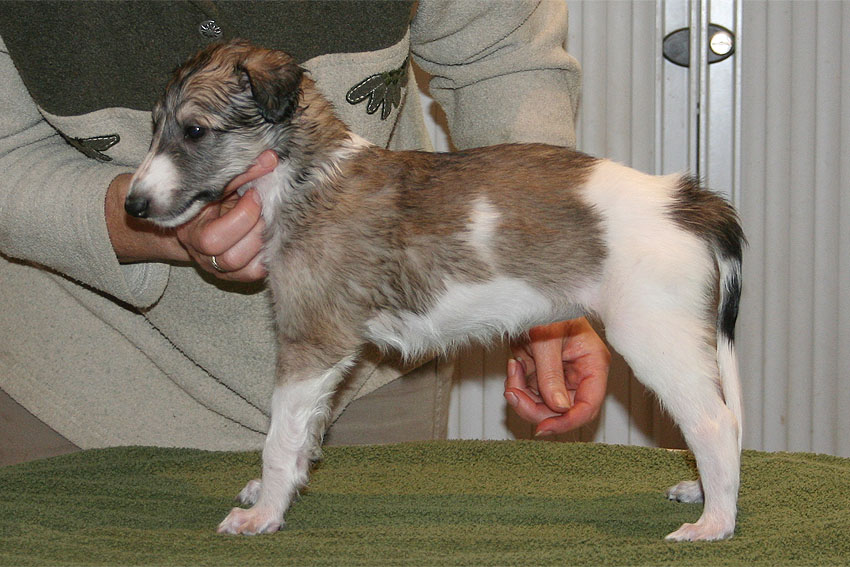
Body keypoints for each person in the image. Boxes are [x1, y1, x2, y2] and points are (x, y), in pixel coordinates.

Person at [0, 0, 609, 464]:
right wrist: (155, 232)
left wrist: (541, 265)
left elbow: (503, 57)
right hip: (81, 390)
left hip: (372, 372)